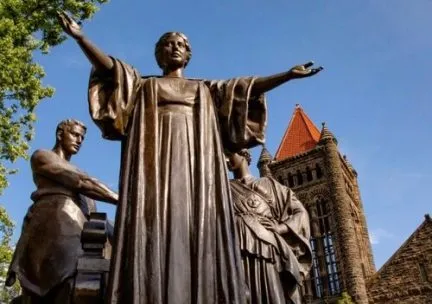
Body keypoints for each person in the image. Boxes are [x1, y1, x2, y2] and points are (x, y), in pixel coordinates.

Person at [57, 12, 323, 304]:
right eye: (168, 44)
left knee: (197, 228)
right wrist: (81, 37)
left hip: (196, 172)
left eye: (180, 43)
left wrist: (286, 76)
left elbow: (245, 88)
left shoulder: (204, 90)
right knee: (154, 225)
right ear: (159, 55)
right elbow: (111, 70)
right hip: (154, 168)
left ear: (188, 55)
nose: (174, 47)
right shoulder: (146, 86)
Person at [6, 119, 118, 303]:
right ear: (60, 134)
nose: (79, 140)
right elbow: (82, 182)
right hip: (54, 226)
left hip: (82, 232)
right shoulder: (42, 156)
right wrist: (122, 199)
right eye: (75, 134)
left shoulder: (79, 174)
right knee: (67, 277)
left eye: (82, 137)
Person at [227, 150, 312, 304]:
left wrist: (282, 227)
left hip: (267, 248)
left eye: (229, 153)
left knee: (272, 294)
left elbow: (301, 212)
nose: (226, 159)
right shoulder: (223, 188)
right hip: (235, 248)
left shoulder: (271, 185)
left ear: (243, 154)